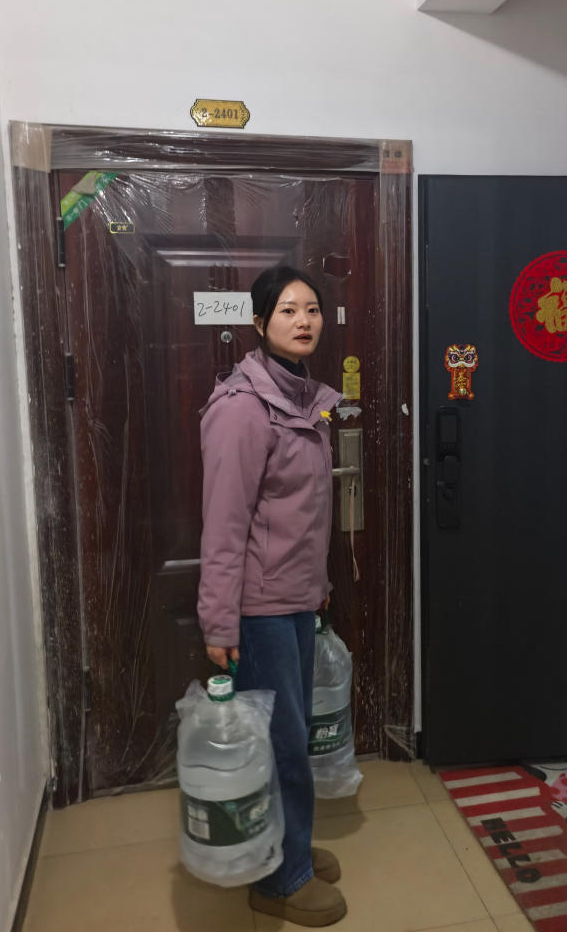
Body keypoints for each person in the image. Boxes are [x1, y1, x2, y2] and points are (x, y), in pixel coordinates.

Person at [197, 264, 347, 927]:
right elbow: (225, 523)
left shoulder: (304, 398)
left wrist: (317, 587)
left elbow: (303, 514)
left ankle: (294, 847)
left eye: (311, 309)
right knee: (280, 742)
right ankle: (279, 881)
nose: (303, 321)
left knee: (293, 735)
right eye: (287, 310)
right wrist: (218, 620)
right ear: (259, 324)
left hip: (295, 597)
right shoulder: (242, 409)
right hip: (257, 608)